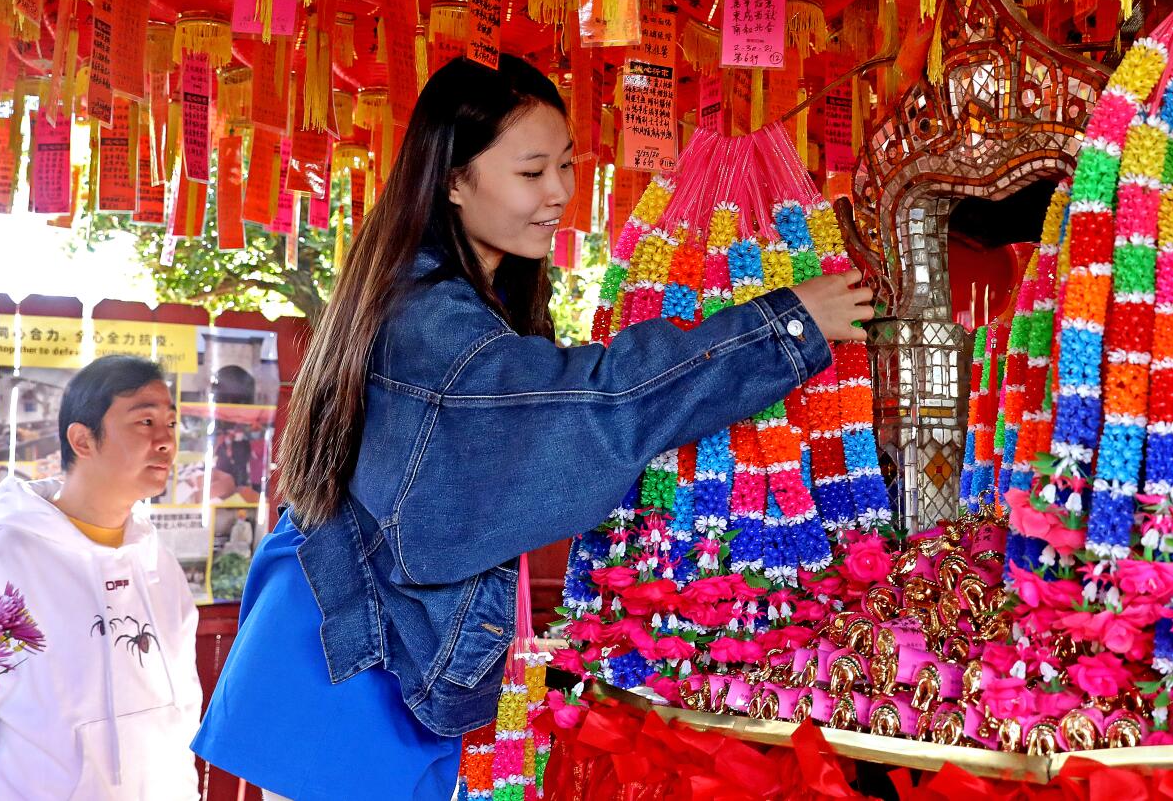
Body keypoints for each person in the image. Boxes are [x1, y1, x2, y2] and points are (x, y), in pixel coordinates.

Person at [194, 56, 871, 800]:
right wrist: (786, 324)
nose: (559, 195)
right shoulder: (433, 323)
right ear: (453, 180)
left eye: (569, 167)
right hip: (352, 682)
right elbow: (597, 403)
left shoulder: (431, 296)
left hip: (347, 650)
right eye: (531, 172)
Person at [0, 356, 203, 800]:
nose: (165, 441)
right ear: (83, 439)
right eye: (144, 421)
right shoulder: (2, 558)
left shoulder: (158, 562)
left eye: (172, 424)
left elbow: (181, 715)